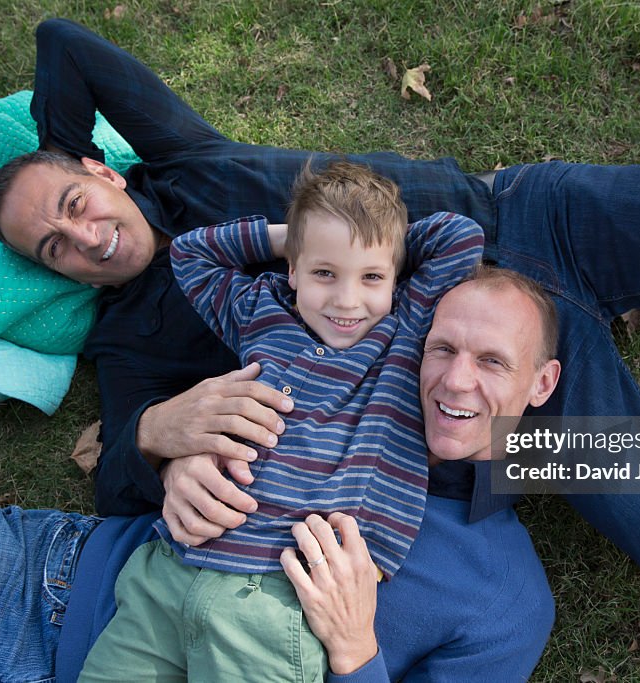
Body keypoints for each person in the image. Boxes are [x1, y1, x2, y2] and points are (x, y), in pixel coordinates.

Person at [0, 17, 640, 646]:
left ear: (103, 173)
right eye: (52, 247)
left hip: (539, 224)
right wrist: (150, 435)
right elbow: (115, 478)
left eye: (73, 203)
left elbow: (62, 43)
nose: (86, 236)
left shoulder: (184, 163)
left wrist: (55, 150)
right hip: (497, 395)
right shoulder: (130, 335)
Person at [0, 267, 560, 683]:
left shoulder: (508, 599)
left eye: (493, 361)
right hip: (40, 579)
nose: (456, 378)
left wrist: (356, 650)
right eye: (442, 347)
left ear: (541, 382)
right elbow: (115, 485)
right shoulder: (319, 395)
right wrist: (164, 454)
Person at [80, 160, 483, 681]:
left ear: (394, 277)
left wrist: (372, 235)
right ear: (291, 270)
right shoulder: (261, 311)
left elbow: (461, 238)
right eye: (323, 272)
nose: (346, 300)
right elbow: (189, 252)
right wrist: (293, 236)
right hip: (168, 572)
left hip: (276, 596)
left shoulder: (403, 330)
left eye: (372, 277)